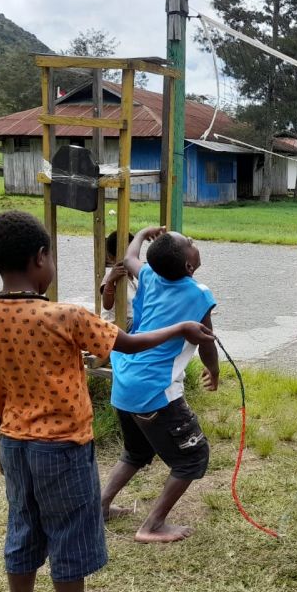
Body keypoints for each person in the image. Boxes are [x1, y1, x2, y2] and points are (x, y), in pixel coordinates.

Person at [0, 211, 213, 592]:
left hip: (14, 443)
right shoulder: (65, 316)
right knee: (70, 534)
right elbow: (130, 343)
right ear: (41, 258)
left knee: (22, 531)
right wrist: (181, 328)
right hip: (62, 448)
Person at [100, 227, 220, 543]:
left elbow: (128, 257)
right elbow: (206, 341)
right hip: (154, 390)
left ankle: (100, 506)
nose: (194, 243)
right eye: (191, 244)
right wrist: (213, 370)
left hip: (124, 381)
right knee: (193, 458)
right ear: (190, 267)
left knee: (136, 451)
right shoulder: (199, 295)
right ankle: (152, 526)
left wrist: (142, 233)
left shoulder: (149, 276)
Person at [100, 230, 136, 326]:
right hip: (114, 324)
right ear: (111, 257)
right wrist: (111, 281)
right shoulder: (112, 276)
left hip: (131, 321)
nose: (132, 258)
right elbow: (107, 305)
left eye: (134, 254)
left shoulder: (133, 277)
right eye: (127, 255)